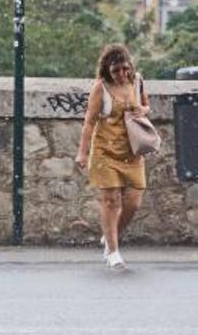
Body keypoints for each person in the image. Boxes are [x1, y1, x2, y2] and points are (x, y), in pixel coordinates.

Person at [75, 43, 150, 269]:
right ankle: (113, 250)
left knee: (133, 202)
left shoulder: (137, 81)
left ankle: (110, 235)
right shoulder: (101, 88)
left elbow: (147, 105)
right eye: (116, 70)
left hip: (132, 151)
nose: (121, 74)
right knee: (110, 201)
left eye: (125, 69)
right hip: (105, 151)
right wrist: (82, 152)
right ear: (107, 70)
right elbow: (89, 122)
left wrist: (142, 111)